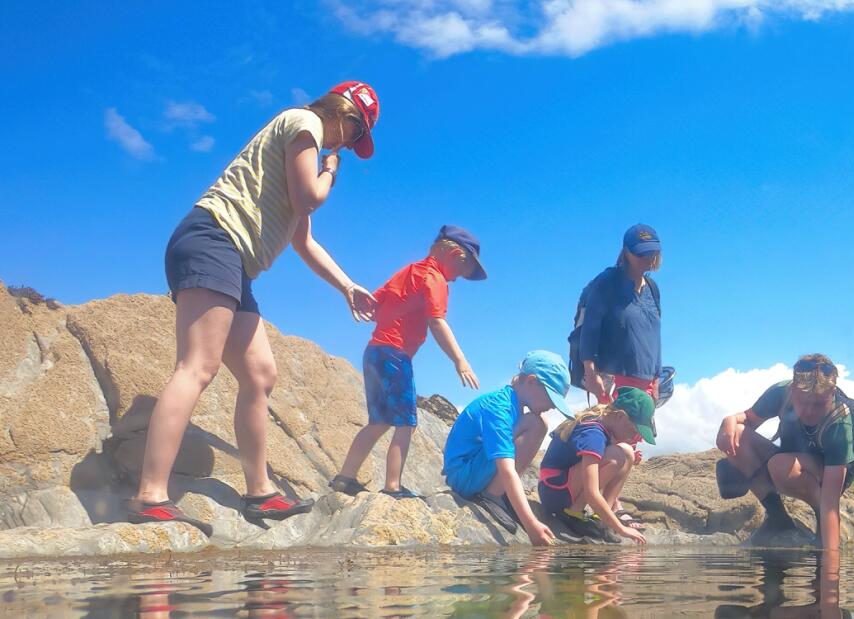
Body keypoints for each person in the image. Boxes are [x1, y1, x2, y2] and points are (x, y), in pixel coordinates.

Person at [129, 82, 382, 535]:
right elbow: (310, 198)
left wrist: (346, 287)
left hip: (234, 260)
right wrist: (331, 171)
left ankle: (260, 492)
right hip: (214, 238)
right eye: (352, 131)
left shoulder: (298, 151)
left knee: (261, 373)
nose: (345, 143)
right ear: (343, 113)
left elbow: (302, 239)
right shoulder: (303, 122)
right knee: (197, 367)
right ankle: (150, 496)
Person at [331, 225, 487, 499]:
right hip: (395, 354)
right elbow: (437, 322)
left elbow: (374, 303)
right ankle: (393, 487)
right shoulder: (434, 278)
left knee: (378, 422)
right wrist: (460, 360)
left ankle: (345, 478)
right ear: (453, 253)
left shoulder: (409, 271)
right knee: (406, 422)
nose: (458, 279)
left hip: (374, 352)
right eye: (461, 269)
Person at [714, 355, 854, 550]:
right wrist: (728, 421)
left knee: (781, 466)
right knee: (738, 433)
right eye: (803, 403)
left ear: (832, 393)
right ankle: (778, 519)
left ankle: (819, 520)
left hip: (828, 474)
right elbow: (747, 418)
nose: (810, 412)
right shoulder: (781, 392)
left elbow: (831, 498)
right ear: (793, 390)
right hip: (789, 459)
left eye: (819, 405)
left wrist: (830, 558)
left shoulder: (840, 419)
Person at [442, 351, 573, 547]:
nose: (553, 406)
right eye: (551, 398)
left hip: (474, 469)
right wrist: (531, 524)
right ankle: (492, 495)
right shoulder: (498, 408)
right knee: (536, 424)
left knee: (538, 423)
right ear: (531, 381)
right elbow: (506, 468)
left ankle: (500, 492)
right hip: (464, 476)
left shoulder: (513, 404)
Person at [536, 388, 655, 545]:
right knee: (618, 455)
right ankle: (573, 513)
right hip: (555, 492)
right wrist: (621, 529)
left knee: (627, 452)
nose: (634, 436)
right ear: (620, 416)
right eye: (633, 430)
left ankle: (603, 522)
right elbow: (592, 492)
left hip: (562, 487)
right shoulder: (593, 433)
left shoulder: (602, 424)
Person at [571, 224, 664, 404]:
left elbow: (655, 338)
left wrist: (657, 380)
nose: (646, 258)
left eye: (651, 252)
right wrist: (590, 373)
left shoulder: (653, 289)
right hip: (615, 381)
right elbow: (590, 331)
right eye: (640, 253)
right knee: (617, 430)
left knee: (642, 433)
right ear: (626, 252)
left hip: (648, 385)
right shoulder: (607, 282)